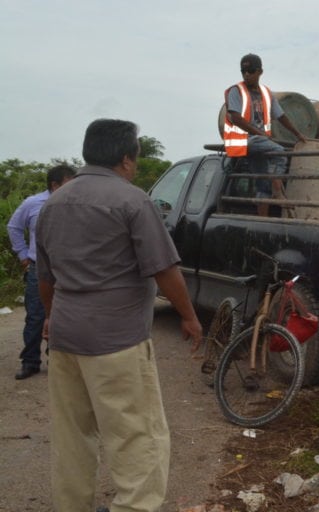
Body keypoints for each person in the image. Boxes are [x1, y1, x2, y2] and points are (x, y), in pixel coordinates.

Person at [35, 119, 203, 512]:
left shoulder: (54, 202)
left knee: (72, 436)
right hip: (117, 342)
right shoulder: (132, 200)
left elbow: (45, 279)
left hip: (65, 338)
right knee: (136, 437)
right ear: (127, 159)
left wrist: (51, 316)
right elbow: (164, 270)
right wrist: (189, 316)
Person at [6, 164, 75, 380]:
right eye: (68, 182)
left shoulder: (75, 204)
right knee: (36, 316)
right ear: (55, 185)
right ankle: (30, 362)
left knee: (65, 316)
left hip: (68, 270)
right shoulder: (33, 203)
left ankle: (56, 360)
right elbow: (14, 227)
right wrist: (23, 255)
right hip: (39, 268)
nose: (73, 187)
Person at [223, 53, 307, 216]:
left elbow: (281, 116)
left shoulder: (266, 94)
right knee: (280, 153)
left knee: (262, 185)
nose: (246, 74)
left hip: (259, 143)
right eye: (243, 71)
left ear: (260, 72)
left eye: (251, 71)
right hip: (241, 140)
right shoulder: (236, 91)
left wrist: (297, 134)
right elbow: (236, 118)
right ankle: (278, 191)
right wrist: (259, 133)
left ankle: (263, 219)